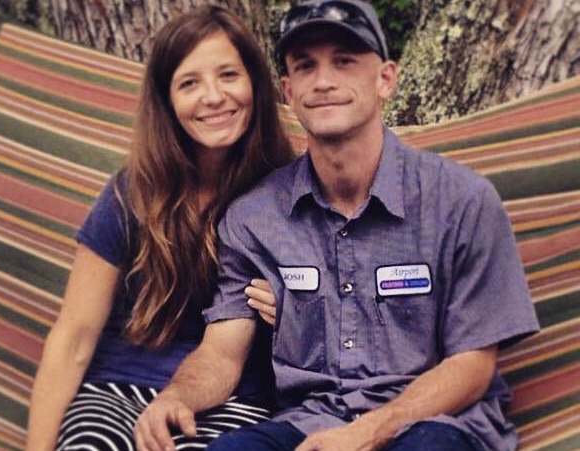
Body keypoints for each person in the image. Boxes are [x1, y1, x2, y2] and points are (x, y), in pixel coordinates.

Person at [135, 1, 541, 451]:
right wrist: (177, 396)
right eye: (306, 67)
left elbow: (474, 362)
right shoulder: (255, 218)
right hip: (309, 424)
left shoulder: (461, 202)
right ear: (288, 91)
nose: (324, 82)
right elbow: (222, 352)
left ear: (386, 78)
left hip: (435, 423)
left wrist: (369, 431)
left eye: (344, 62)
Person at [25, 5, 293, 451]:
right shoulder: (132, 194)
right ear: (167, 102)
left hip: (233, 397)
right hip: (117, 386)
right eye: (189, 83)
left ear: (256, 84)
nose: (213, 96)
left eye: (228, 75)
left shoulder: (288, 194)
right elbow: (74, 334)